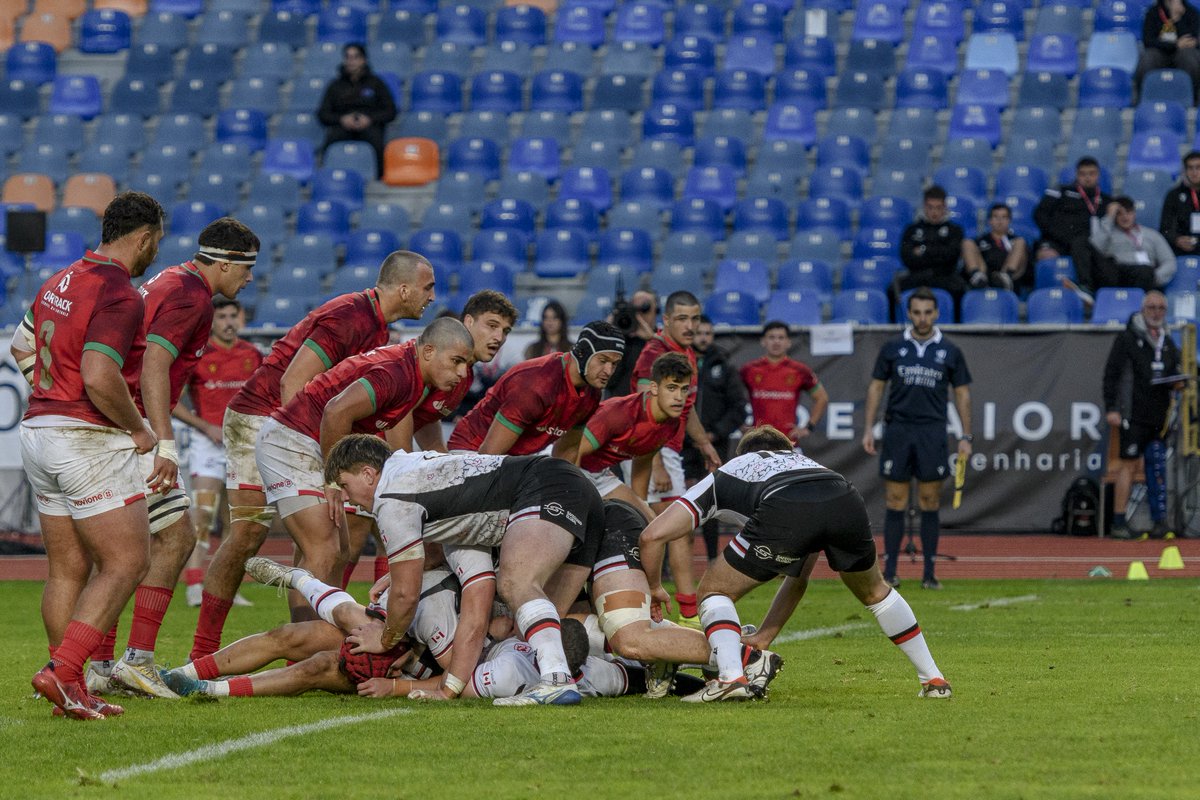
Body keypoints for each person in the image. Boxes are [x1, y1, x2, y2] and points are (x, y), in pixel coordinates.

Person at [191, 251, 435, 661]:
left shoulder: (376, 326)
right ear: (405, 288)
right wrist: (316, 461)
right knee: (250, 535)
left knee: (330, 541)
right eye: (428, 288)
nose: (432, 297)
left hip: (297, 427)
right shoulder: (352, 317)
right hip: (263, 417)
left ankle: (306, 650)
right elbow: (293, 383)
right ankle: (205, 652)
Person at [640, 425, 952, 702]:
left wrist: (654, 586)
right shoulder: (807, 465)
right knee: (875, 592)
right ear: (787, 451)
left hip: (785, 503)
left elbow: (652, 535)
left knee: (714, 590)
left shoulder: (731, 469)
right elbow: (798, 576)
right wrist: (764, 636)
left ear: (744, 454)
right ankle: (934, 679)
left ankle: (731, 678)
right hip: (844, 494)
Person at [13, 191, 164, 720]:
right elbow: (100, 376)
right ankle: (62, 672)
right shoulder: (120, 292)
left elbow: (20, 348)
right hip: (86, 439)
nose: (156, 252)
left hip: (39, 432)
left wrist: (52, 394)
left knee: (67, 569)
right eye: (157, 241)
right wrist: (139, 429)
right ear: (143, 238)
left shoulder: (61, 279)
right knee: (127, 561)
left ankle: (70, 689)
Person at [98, 218, 258, 699]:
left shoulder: (169, 278)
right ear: (225, 263)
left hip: (115, 422)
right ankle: (136, 661)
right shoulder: (193, 296)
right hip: (133, 430)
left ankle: (100, 665)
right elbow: (155, 363)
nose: (249, 278)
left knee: (119, 548)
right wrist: (162, 441)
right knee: (177, 537)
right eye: (247, 268)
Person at [326, 434, 608, 706]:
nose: (347, 498)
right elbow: (474, 600)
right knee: (540, 624)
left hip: (545, 485)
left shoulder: (391, 497)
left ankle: (557, 681)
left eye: (345, 485)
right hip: (576, 487)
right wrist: (449, 689)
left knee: (516, 583)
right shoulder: (444, 504)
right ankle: (595, 674)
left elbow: (405, 595)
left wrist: (386, 639)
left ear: (368, 474)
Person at [256, 318, 474, 621]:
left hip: (310, 440)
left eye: (466, 364)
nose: (462, 373)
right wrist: (334, 480)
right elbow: (336, 411)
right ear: (429, 352)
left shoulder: (412, 377)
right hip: (293, 438)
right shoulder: (397, 372)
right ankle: (303, 641)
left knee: (339, 552)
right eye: (457, 361)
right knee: (324, 550)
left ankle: (317, 634)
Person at [861, 288, 973, 591]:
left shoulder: (950, 350)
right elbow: (876, 387)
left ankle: (929, 574)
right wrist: (868, 428)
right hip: (898, 429)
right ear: (908, 314)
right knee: (895, 500)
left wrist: (966, 435)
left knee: (930, 500)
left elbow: (962, 393)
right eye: (917, 312)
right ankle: (890, 572)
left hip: (932, 431)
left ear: (936, 314)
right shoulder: (892, 347)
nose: (922, 318)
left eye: (928, 312)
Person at [630, 291, 722, 628]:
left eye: (694, 318)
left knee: (666, 528)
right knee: (674, 529)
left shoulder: (686, 353)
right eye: (682, 318)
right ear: (665, 320)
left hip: (667, 450)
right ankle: (686, 612)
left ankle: (672, 608)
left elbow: (688, 407)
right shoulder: (654, 354)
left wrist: (703, 444)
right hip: (652, 450)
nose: (690, 325)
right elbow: (641, 407)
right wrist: (654, 462)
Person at [171, 297, 262, 607]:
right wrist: (204, 426)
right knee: (203, 513)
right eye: (221, 316)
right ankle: (194, 584)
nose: (228, 322)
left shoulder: (252, 355)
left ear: (241, 319)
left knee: (237, 520)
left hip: (242, 446)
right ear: (211, 322)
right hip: (207, 445)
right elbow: (171, 400)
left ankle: (224, 587)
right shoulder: (199, 356)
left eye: (232, 316)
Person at [447, 321, 625, 459]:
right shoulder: (536, 384)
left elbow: (567, 451)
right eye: (603, 361)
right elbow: (489, 456)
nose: (608, 371)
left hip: (515, 460)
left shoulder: (592, 394)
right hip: (472, 451)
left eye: (614, 364)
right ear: (582, 353)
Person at [1102, 291, 1183, 540]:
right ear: (1142, 309)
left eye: (1161, 308)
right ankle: (1119, 521)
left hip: (1159, 415)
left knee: (1157, 464)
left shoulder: (1167, 340)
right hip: (1132, 413)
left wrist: (1179, 381)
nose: (1156, 313)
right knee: (1127, 465)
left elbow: (1174, 370)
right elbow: (1111, 375)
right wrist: (1112, 408)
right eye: (1151, 307)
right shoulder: (1127, 338)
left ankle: (1160, 521)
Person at [577, 353, 694, 517]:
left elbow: (642, 463)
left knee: (647, 520)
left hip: (598, 473)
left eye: (684, 389)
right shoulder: (620, 414)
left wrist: (641, 506)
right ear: (654, 388)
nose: (679, 397)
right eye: (672, 388)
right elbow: (572, 452)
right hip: (566, 463)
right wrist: (573, 495)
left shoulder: (671, 423)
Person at [680, 316, 747, 561]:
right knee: (677, 500)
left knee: (710, 501)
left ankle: (711, 559)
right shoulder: (680, 362)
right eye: (699, 333)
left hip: (714, 445)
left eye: (708, 333)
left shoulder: (724, 366)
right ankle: (672, 561)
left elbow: (738, 408)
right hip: (681, 445)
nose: (704, 338)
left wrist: (714, 433)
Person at [739, 320, 829, 446]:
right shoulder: (749, 370)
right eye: (771, 337)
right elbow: (730, 396)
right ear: (763, 341)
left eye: (781, 338)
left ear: (788, 342)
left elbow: (822, 398)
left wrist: (808, 427)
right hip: (757, 443)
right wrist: (739, 424)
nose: (776, 342)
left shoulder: (800, 370)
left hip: (789, 443)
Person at [316, 42, 397, 179]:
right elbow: (323, 114)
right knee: (330, 141)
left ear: (364, 60)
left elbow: (390, 111)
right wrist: (342, 119)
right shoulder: (335, 86)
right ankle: (326, 177)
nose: (351, 61)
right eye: (348, 57)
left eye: (355, 57)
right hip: (342, 127)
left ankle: (379, 178)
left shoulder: (376, 83)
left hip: (369, 126)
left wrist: (370, 119)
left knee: (376, 141)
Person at [1034, 157, 1112, 295]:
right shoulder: (1061, 191)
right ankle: (1045, 296)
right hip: (1057, 241)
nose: (1087, 178)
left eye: (1092, 173)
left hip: (1086, 244)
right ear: (1077, 175)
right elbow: (1039, 214)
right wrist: (1056, 234)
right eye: (1083, 174)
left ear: (1098, 175)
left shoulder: (1106, 200)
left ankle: (1087, 289)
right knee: (1046, 255)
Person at [895, 185, 968, 310]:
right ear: (924, 206)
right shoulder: (911, 229)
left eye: (938, 207)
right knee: (893, 290)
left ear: (945, 207)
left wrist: (923, 250)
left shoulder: (955, 230)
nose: (934, 212)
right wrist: (938, 251)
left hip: (945, 276)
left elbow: (952, 257)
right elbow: (906, 257)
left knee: (960, 289)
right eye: (930, 207)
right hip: (917, 276)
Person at [1087, 196, 1176, 292]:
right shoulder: (1107, 234)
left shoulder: (1152, 235)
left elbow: (1169, 261)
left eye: (1128, 212)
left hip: (1144, 276)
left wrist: (1154, 277)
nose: (1125, 217)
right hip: (1117, 276)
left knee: (1144, 271)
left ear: (1134, 213)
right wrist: (1109, 218)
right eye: (1119, 214)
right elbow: (1093, 248)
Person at [1136, 0, 1200, 103]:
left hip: (1182, 53)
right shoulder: (1153, 12)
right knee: (1147, 58)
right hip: (1160, 52)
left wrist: (1177, 20)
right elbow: (1148, 41)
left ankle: (1193, 100)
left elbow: (1190, 40)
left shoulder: (1191, 12)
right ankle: (1141, 100)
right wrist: (1175, 45)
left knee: (1190, 58)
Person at [962, 203, 1029, 291]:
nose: (1000, 221)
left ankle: (1005, 277)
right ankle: (977, 276)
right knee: (967, 243)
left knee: (1021, 242)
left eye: (1004, 217)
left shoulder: (1016, 241)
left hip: (1010, 281)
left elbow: (1025, 267)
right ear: (989, 220)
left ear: (1009, 220)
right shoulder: (980, 241)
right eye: (996, 217)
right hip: (984, 278)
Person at [606, 290, 658, 399]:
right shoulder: (621, 340)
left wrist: (652, 340)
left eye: (645, 308)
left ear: (656, 310)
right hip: (620, 404)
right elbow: (607, 381)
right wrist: (608, 334)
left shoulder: (660, 341)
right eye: (635, 309)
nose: (639, 315)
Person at [1159, 150, 1200, 259]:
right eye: (1190, 168)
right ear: (1185, 171)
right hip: (1180, 249)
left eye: (1198, 167)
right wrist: (1177, 240)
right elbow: (1165, 228)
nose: (1194, 172)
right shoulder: (1174, 195)